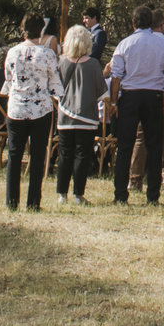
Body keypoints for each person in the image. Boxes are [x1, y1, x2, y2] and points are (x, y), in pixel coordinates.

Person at [107, 6, 164, 205]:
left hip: (130, 96)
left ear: (134, 23)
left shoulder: (125, 44)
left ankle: (120, 193)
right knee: (155, 146)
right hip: (153, 96)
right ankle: (153, 195)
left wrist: (113, 101)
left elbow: (116, 75)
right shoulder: (163, 44)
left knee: (125, 145)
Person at [2, 17, 62, 211]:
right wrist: (60, 98)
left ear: (23, 30)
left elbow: (9, 79)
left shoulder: (12, 52)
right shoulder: (47, 54)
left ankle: (11, 202)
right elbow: (54, 81)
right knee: (37, 156)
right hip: (40, 109)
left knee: (14, 155)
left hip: (17, 108)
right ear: (41, 31)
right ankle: (33, 202)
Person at [53, 23, 105, 202]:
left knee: (65, 154)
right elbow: (102, 93)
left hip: (65, 115)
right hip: (87, 117)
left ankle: (61, 194)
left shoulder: (61, 62)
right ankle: (78, 194)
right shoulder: (93, 64)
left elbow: (55, 89)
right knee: (82, 155)